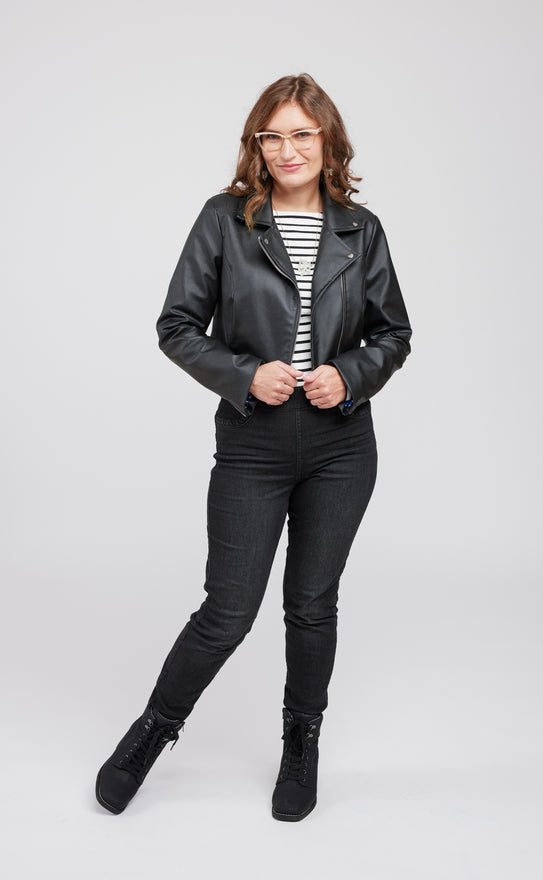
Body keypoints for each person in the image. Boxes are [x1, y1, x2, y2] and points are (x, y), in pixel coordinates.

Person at [95, 72, 412, 822]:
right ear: (256, 144)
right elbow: (177, 325)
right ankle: (153, 731)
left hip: (341, 446)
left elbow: (394, 333)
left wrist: (350, 374)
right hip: (253, 442)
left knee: (312, 605)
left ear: (328, 140)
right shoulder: (225, 220)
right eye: (273, 135)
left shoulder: (361, 230)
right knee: (229, 610)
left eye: (302, 133)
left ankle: (301, 744)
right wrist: (244, 374)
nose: (287, 149)